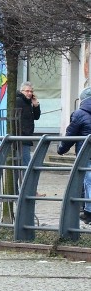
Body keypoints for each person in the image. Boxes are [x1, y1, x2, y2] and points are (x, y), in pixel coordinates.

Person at [57, 87, 91, 223]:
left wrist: (61, 149)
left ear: (82, 99)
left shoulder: (79, 114)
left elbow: (70, 136)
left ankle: (88, 212)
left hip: (86, 155)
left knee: (88, 181)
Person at [16, 81, 41, 167]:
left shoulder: (28, 102)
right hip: (21, 138)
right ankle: (25, 180)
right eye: (27, 91)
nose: (29, 93)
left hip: (26, 137)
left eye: (31, 91)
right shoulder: (19, 101)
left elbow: (36, 117)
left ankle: (21, 180)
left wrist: (36, 106)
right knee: (25, 165)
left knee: (22, 165)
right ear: (21, 91)